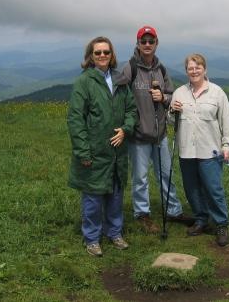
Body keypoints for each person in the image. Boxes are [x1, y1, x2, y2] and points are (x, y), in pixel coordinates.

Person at [67, 36, 137, 257]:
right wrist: (83, 152)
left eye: (106, 52)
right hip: (95, 149)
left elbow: (131, 110)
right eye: (97, 53)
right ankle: (92, 238)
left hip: (117, 150)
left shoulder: (120, 80)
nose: (102, 56)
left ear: (112, 55)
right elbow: (76, 119)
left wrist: (126, 129)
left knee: (115, 194)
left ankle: (114, 233)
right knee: (93, 197)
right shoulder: (84, 82)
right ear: (90, 56)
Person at [121, 25, 193, 233]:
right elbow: (118, 92)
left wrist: (163, 97)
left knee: (165, 174)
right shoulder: (130, 68)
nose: (147, 44)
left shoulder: (161, 69)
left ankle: (173, 211)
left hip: (160, 134)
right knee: (140, 177)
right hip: (138, 135)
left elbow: (172, 95)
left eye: (150, 41)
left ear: (156, 44)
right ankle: (142, 214)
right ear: (138, 44)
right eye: (143, 41)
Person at [170, 53, 229, 246]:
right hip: (187, 151)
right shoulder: (179, 93)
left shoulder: (217, 92)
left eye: (197, 67)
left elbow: (227, 120)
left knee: (213, 189)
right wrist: (171, 111)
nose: (194, 71)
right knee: (192, 189)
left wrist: (228, 145)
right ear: (186, 71)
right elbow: (170, 121)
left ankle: (221, 224)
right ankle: (200, 219)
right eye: (190, 68)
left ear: (204, 69)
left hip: (210, 151)